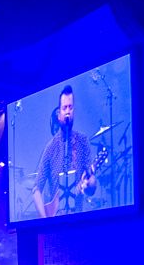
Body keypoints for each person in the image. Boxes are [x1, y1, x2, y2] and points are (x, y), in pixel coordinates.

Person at [33, 85, 98, 217]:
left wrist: (89, 184)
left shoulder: (83, 141)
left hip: (78, 216)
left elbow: (91, 188)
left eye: (70, 107)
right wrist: (45, 220)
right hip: (55, 220)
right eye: (64, 108)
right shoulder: (51, 148)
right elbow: (36, 189)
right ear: (59, 114)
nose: (68, 111)